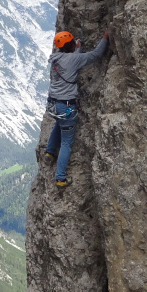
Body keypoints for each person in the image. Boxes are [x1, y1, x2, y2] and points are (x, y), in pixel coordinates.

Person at [43, 28, 109, 188]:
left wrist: (77, 48)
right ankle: (60, 178)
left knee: (59, 124)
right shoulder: (74, 59)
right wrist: (105, 38)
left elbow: (72, 59)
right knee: (66, 142)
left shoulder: (55, 58)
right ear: (70, 44)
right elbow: (95, 55)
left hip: (54, 104)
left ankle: (49, 152)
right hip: (66, 105)